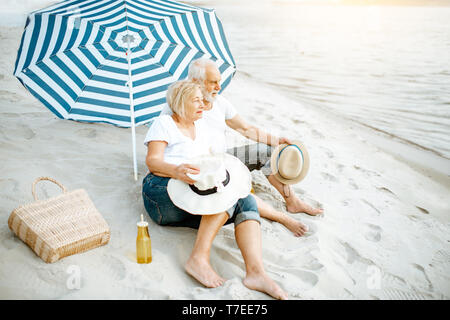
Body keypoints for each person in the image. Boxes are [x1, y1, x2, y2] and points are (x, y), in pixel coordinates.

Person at [142, 80, 288, 300]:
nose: (203, 105)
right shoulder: (164, 124)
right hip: (161, 192)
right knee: (220, 194)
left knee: (242, 198)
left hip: (192, 193)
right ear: (181, 103)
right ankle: (198, 259)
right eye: (196, 100)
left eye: (203, 99)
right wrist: (176, 170)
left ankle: (256, 273)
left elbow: (213, 160)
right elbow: (152, 162)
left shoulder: (200, 126)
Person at [159, 58, 323, 237]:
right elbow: (165, 144)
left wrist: (277, 141)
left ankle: (293, 202)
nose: (218, 87)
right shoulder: (176, 107)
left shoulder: (220, 103)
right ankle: (278, 216)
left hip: (225, 158)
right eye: (213, 82)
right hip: (202, 169)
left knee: (266, 152)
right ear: (195, 82)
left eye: (219, 82)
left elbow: (246, 129)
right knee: (230, 189)